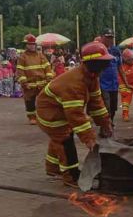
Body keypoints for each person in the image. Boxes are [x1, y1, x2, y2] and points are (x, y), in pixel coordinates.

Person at [35, 42, 113, 187]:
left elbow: (96, 102)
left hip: (58, 109)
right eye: (103, 62)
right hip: (50, 113)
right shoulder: (75, 83)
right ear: (92, 62)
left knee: (59, 138)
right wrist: (89, 139)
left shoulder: (92, 76)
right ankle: (70, 176)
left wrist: (105, 122)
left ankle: (53, 168)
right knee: (65, 139)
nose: (106, 66)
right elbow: (75, 116)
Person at [16, 34, 54, 124]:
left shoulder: (41, 56)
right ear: (26, 45)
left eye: (33, 44)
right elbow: (20, 71)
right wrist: (24, 83)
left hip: (42, 83)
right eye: (30, 44)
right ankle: (32, 117)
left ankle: (43, 117)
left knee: (44, 101)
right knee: (30, 101)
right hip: (30, 84)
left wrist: (49, 78)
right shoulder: (23, 57)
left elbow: (47, 68)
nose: (32, 46)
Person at [97, 28, 122, 125]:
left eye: (111, 37)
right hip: (102, 84)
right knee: (106, 106)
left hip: (114, 84)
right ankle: (105, 125)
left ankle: (110, 121)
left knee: (113, 106)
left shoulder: (116, 50)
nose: (110, 40)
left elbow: (120, 68)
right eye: (107, 37)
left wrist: (126, 83)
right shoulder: (98, 50)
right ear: (102, 37)